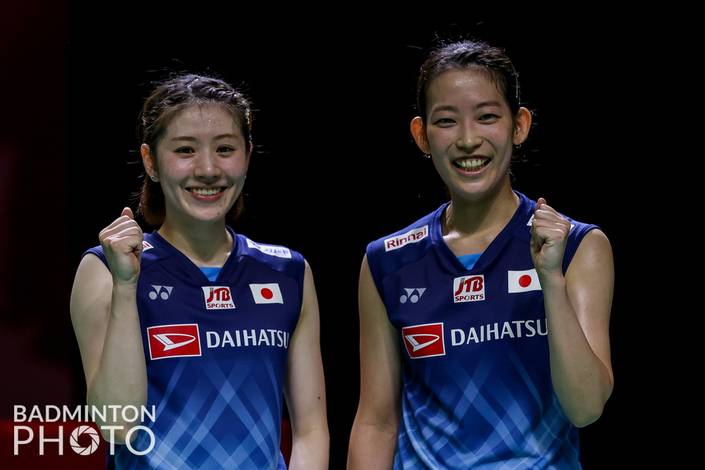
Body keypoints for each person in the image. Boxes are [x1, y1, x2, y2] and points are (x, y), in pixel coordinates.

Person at [348, 40, 614, 469]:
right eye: (447, 121)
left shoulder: (579, 247)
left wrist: (551, 279)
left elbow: (585, 407)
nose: (468, 140)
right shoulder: (386, 262)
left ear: (519, 125)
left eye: (488, 117)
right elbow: (376, 422)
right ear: (422, 135)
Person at [70, 74, 328, 469]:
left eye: (225, 149)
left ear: (248, 156)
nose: (208, 169)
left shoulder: (288, 272)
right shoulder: (104, 269)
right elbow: (116, 426)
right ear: (150, 162)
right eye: (185, 150)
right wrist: (126, 288)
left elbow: (310, 431)